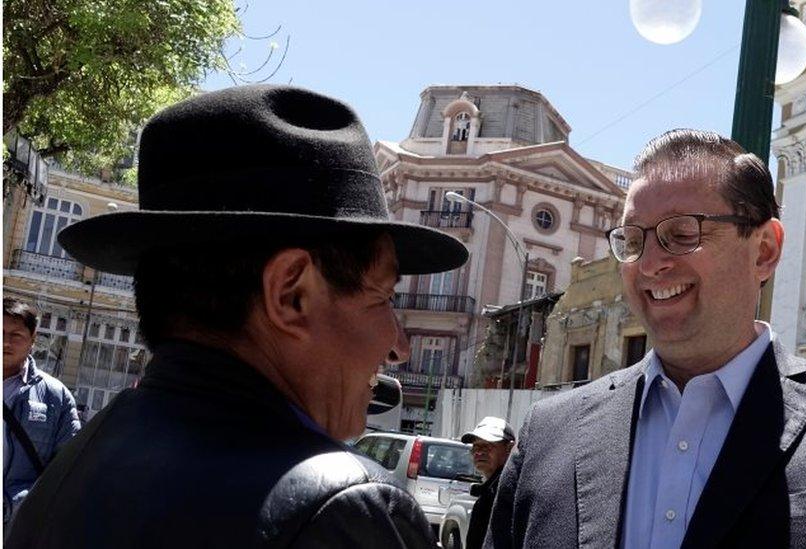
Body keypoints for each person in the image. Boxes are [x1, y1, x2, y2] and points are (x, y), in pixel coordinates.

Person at [6, 84, 468, 548]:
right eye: (382, 297)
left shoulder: (73, 466)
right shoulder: (343, 510)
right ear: (291, 294)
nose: (398, 346)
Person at [486, 129, 806, 548]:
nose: (649, 264)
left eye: (681, 234)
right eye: (632, 240)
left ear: (763, 250)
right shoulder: (548, 434)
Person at [2, 298, 80, 526]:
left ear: (33, 340)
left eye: (16, 335)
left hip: (17, 525)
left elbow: (67, 468)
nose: (5, 342)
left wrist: (22, 505)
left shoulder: (56, 396)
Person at [461, 417, 515, 549]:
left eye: (487, 446)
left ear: (509, 448)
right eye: (475, 446)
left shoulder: (509, 491)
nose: (478, 452)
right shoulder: (490, 490)